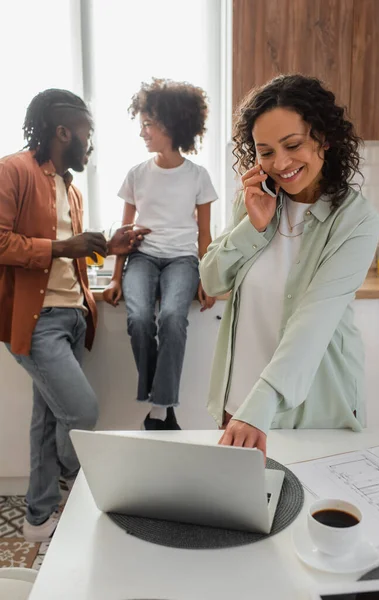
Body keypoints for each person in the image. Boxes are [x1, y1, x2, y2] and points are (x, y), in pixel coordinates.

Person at [200, 74, 379, 458]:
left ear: (325, 138)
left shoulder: (356, 220)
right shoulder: (255, 200)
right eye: (265, 152)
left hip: (310, 408)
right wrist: (253, 225)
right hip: (241, 405)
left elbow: (312, 324)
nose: (280, 163)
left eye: (293, 145)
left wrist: (260, 405)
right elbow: (212, 281)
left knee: (307, 515)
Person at [0, 88, 148, 542]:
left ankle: (38, 516)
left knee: (47, 419)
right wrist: (67, 246)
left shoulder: (71, 187)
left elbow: (72, 254)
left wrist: (109, 245)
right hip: (34, 320)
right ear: (63, 131)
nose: (91, 142)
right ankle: (75, 474)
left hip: (73, 318)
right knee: (81, 412)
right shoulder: (12, 171)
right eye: (87, 132)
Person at [104, 78, 218, 430]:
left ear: (171, 125)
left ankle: (158, 408)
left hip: (183, 261)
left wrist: (208, 279)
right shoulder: (136, 174)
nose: (143, 133)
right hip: (142, 258)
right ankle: (163, 406)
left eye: (148, 125)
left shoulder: (197, 176)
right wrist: (114, 276)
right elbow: (123, 236)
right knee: (138, 318)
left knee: (172, 318)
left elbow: (204, 234)